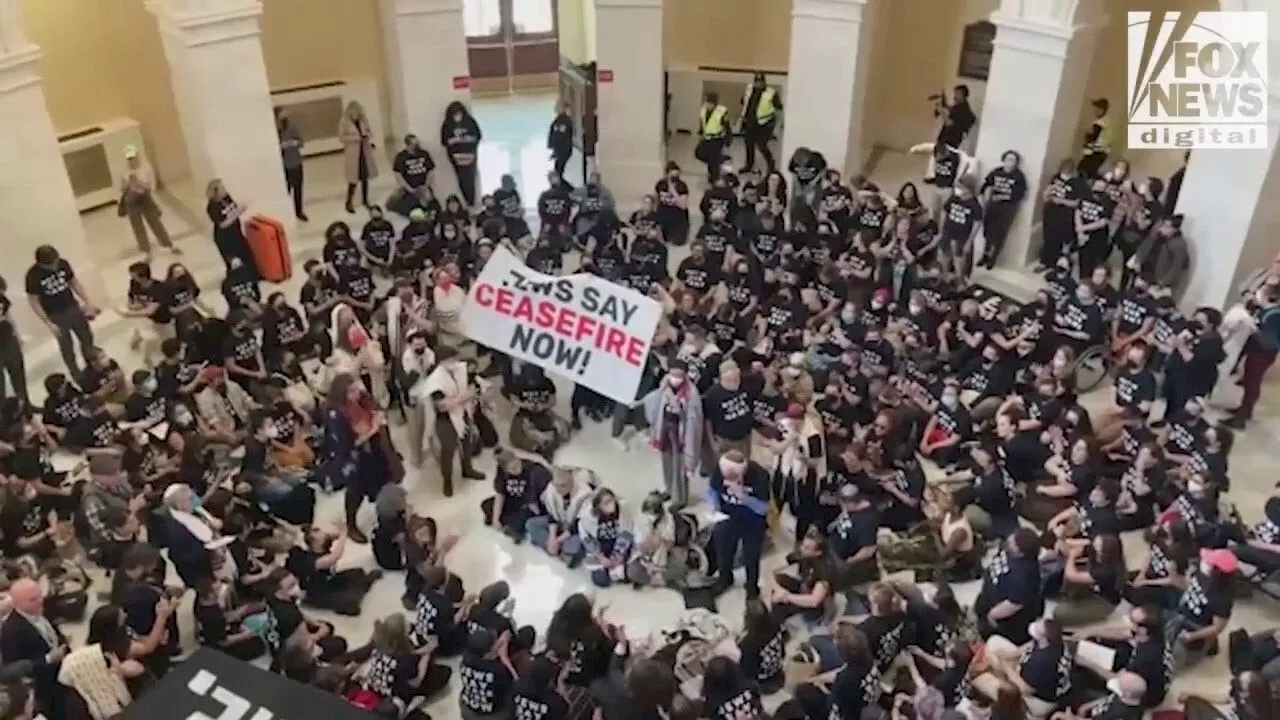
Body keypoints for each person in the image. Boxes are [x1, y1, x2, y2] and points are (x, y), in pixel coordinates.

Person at [323, 373, 397, 542]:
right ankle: (351, 524)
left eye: (357, 388)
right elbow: (347, 444)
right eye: (352, 391)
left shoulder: (360, 399)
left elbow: (375, 408)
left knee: (382, 480)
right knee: (356, 491)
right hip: (353, 458)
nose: (358, 393)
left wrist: (377, 415)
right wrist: (373, 428)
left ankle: (385, 516)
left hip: (372, 449)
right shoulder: (336, 415)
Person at [25, 245, 99, 376]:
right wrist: (48, 323)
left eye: (55, 262)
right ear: (40, 264)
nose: (54, 267)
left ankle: (92, 366)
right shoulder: (33, 276)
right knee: (67, 347)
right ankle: (76, 374)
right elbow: (34, 301)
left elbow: (74, 282)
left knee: (87, 338)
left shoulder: (62, 263)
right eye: (50, 265)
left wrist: (88, 302)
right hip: (55, 314)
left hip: (72, 307)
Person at [0, 579, 68, 718]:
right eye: (33, 599)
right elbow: (15, 670)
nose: (40, 601)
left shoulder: (40, 610)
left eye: (39, 596)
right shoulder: (11, 631)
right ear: (17, 603)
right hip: (43, 690)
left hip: (61, 676)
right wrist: (48, 659)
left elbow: (55, 634)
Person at [423, 346, 485, 497]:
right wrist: (464, 397)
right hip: (446, 420)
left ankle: (467, 469)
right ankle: (447, 480)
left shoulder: (461, 369)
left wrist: (470, 393)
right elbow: (442, 406)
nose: (455, 362)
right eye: (451, 360)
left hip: (464, 413)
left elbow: (476, 385)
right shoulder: (435, 380)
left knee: (467, 443)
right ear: (442, 361)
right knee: (448, 450)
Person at [707, 450, 769, 598]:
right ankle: (725, 578)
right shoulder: (718, 470)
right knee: (723, 549)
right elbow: (712, 490)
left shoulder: (759, 475)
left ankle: (752, 588)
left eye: (733, 477)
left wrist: (743, 496)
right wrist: (713, 505)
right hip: (727, 517)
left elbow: (763, 508)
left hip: (753, 522)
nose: (728, 480)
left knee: (751, 556)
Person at [641, 359, 703, 507]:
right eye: (672, 375)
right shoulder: (664, 386)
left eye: (679, 375)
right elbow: (655, 406)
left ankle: (680, 499)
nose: (675, 379)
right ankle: (669, 489)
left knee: (680, 467)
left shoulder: (691, 394)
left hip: (681, 434)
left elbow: (693, 421)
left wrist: (677, 405)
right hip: (665, 430)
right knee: (667, 462)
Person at [118, 145, 176, 256]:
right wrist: (127, 184)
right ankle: (146, 251)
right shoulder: (124, 171)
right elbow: (121, 188)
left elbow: (151, 187)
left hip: (144, 197)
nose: (132, 161)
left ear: (138, 156)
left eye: (133, 158)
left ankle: (168, 245)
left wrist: (138, 182)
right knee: (137, 226)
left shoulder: (146, 168)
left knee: (155, 222)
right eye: (129, 159)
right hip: (131, 200)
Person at [978, 150, 1027, 269]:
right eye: (1008, 159)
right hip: (993, 205)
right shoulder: (996, 172)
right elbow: (985, 185)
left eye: (1013, 160)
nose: (1010, 162)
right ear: (1004, 159)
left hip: (1008, 208)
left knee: (1000, 233)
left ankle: (993, 257)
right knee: (988, 230)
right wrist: (984, 198)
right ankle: (985, 254)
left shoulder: (1019, 176)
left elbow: (1020, 194)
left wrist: (1004, 197)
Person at [205, 179, 256, 274]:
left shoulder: (227, 197)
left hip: (236, 232)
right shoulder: (212, 207)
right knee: (233, 260)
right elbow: (222, 224)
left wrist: (239, 209)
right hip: (225, 238)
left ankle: (252, 275)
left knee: (247, 255)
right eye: (222, 188)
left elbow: (234, 208)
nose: (225, 189)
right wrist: (237, 213)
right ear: (216, 192)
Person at [339, 100, 377, 213]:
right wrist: (355, 139)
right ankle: (348, 202)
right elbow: (341, 137)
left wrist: (367, 135)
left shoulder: (363, 120)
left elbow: (370, 132)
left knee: (365, 178)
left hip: (364, 152)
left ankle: (365, 200)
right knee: (353, 180)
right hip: (353, 153)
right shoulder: (344, 122)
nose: (355, 114)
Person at [442, 101, 482, 206]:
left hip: (470, 155)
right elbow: (444, 141)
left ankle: (472, 201)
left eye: (459, 113)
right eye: (455, 114)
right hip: (455, 156)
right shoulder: (447, 124)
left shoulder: (470, 121)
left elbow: (478, 136)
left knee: (471, 178)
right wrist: (454, 140)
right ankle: (467, 201)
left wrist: (468, 139)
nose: (457, 116)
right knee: (462, 179)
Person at [740, 73, 781, 174]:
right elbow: (743, 102)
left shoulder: (771, 93)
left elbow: (778, 107)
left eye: (760, 82)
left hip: (765, 123)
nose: (758, 84)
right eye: (756, 82)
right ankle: (749, 165)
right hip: (751, 121)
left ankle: (771, 165)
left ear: (764, 82)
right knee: (749, 144)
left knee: (761, 145)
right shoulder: (749, 89)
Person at [389, 133, 437, 218]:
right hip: (410, 188)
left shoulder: (424, 154)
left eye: (417, 143)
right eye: (414, 144)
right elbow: (398, 175)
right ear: (408, 145)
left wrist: (426, 186)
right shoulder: (401, 157)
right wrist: (409, 189)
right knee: (410, 209)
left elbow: (431, 171)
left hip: (423, 186)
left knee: (432, 205)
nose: (417, 146)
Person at [277, 108, 307, 221]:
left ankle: (299, 211)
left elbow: (301, 142)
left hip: (295, 161)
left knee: (298, 188)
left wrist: (293, 143)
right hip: (283, 165)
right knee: (286, 189)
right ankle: (285, 211)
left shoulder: (293, 126)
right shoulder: (275, 130)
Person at [697, 91, 730, 182]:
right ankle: (720, 160)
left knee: (713, 159)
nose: (707, 104)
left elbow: (726, 125)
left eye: (709, 102)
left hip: (717, 139)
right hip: (706, 138)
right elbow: (702, 123)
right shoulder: (703, 109)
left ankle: (714, 178)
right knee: (699, 154)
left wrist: (728, 139)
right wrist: (701, 132)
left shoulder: (722, 111)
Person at [1079, 98, 1113, 178]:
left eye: (1096, 109)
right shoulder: (1108, 121)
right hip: (1104, 152)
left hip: (1095, 152)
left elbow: (1093, 137)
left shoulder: (1100, 122)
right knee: (1091, 173)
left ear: (1102, 110)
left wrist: (1086, 138)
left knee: (1082, 172)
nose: (1095, 111)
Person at [934, 84, 976, 149]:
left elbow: (949, 123)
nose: (954, 96)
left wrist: (940, 110)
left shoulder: (963, 110)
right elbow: (952, 110)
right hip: (950, 142)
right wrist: (944, 103)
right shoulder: (961, 107)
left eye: (956, 94)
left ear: (962, 95)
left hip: (949, 142)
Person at [548, 100, 575, 178]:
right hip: (561, 150)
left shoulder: (564, 121)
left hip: (562, 150)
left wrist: (555, 149)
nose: (555, 108)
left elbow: (560, 136)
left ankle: (560, 187)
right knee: (558, 170)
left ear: (562, 108)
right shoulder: (559, 120)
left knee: (558, 171)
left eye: (557, 106)